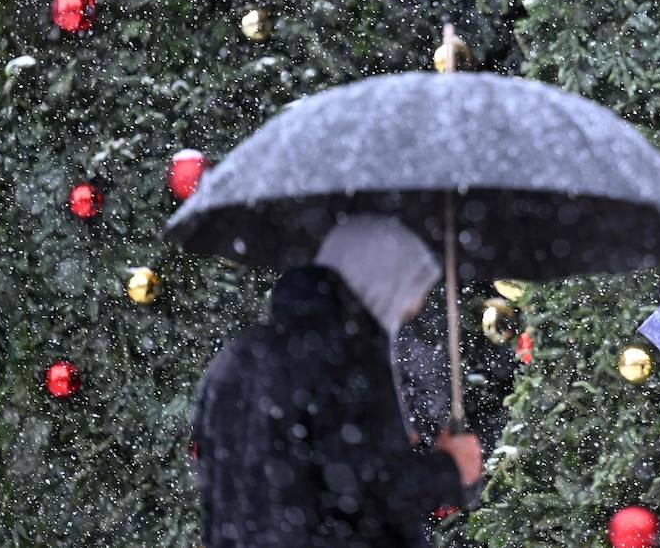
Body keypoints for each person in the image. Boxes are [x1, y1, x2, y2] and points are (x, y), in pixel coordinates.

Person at [192, 214, 483, 548]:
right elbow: (367, 493)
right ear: (379, 282)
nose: (412, 308)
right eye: (408, 290)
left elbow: (280, 478)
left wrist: (386, 444)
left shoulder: (237, 357)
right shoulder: (345, 357)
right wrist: (449, 468)